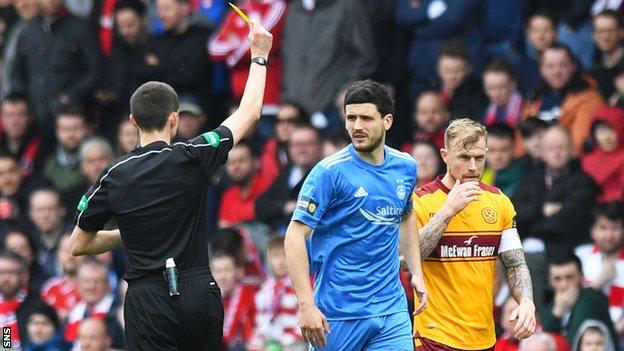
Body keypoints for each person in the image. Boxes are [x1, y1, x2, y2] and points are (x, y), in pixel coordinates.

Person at [69, 21, 273, 350]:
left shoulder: (113, 174)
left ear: (132, 121)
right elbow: (249, 113)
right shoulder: (194, 153)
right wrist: (259, 55)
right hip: (197, 290)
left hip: (147, 298)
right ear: (175, 118)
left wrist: (130, 234)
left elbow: (79, 244)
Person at [284, 79, 427, 350]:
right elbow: (294, 235)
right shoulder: (329, 172)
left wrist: (416, 272)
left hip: (391, 311)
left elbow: (406, 216)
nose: (357, 126)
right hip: (337, 314)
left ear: (387, 121)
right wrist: (306, 304)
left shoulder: (405, 167)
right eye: (351, 117)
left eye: (366, 118)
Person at [412, 118, 536, 349]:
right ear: (445, 155)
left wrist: (527, 302)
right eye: (464, 157)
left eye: (479, 158)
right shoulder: (420, 202)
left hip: (483, 338)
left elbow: (515, 264)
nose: (473, 167)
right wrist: (447, 212)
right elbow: (407, 261)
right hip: (434, 337)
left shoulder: (499, 202)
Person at [541, 254, 618, 347]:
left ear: (581, 277)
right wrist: (557, 313)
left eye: (569, 277)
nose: (564, 285)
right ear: (550, 281)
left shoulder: (592, 301)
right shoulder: (549, 306)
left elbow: (573, 343)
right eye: (557, 279)